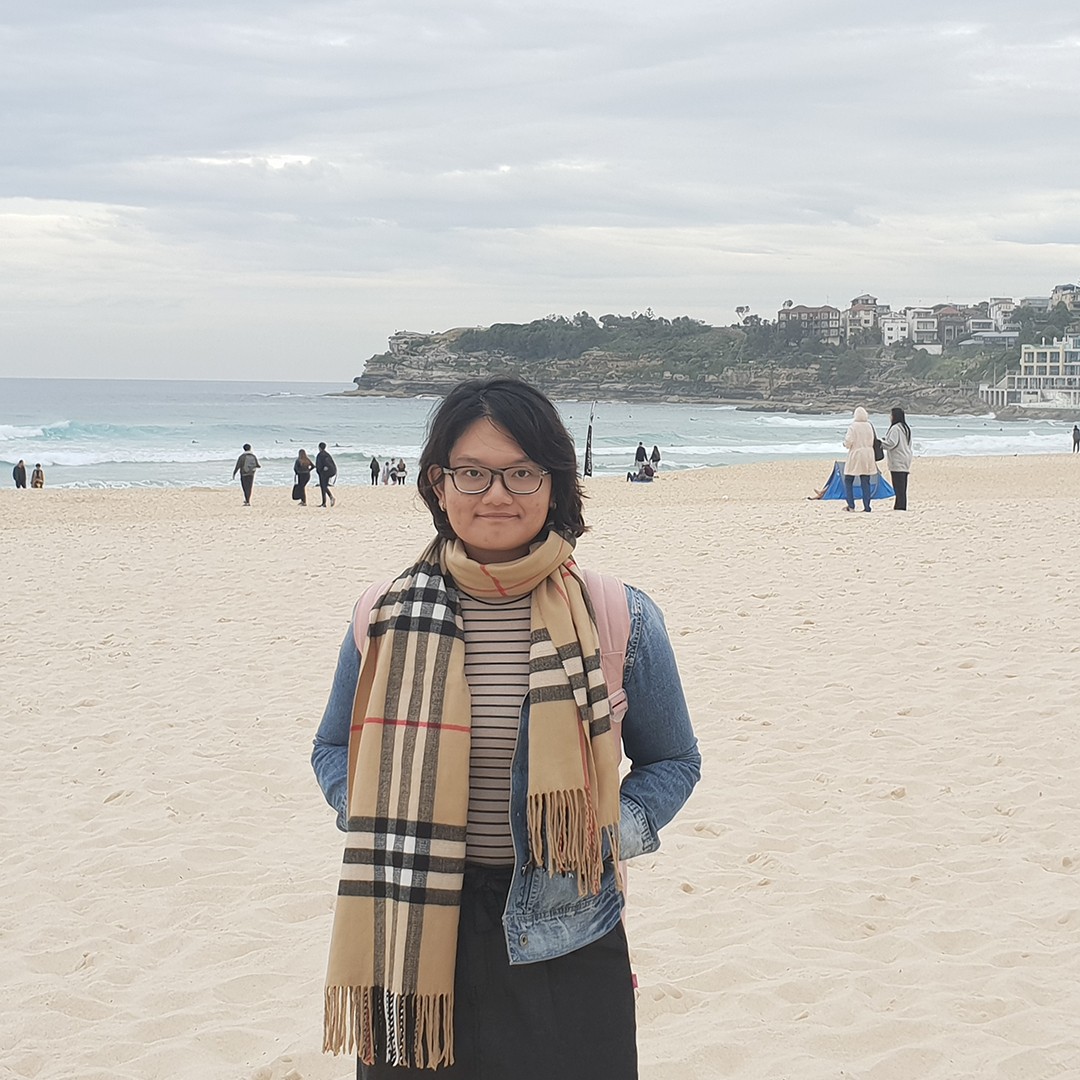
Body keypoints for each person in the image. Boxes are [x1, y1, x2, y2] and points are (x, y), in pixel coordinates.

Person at [311, 376, 700, 1079]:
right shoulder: (383, 614)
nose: (496, 494)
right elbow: (333, 746)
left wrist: (603, 832)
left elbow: (674, 760)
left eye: (521, 472)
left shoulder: (619, 614)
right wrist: (365, 811)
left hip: (567, 928)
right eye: (473, 472)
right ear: (438, 484)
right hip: (411, 921)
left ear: (555, 484)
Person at [842, 406, 875, 512]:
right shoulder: (869, 426)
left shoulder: (853, 426)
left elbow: (849, 441)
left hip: (856, 454)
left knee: (848, 479)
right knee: (865, 480)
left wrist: (844, 444)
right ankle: (867, 506)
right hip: (868, 454)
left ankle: (851, 505)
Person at [881, 407, 913, 510]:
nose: (889, 417)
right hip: (905, 458)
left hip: (897, 460)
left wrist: (880, 444)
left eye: (891, 415)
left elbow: (892, 443)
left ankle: (899, 507)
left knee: (898, 486)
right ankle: (901, 506)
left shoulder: (895, 428)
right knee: (902, 486)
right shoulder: (905, 428)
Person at [316, 442, 337, 508]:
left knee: (323, 487)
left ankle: (324, 502)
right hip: (328, 472)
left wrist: (323, 469)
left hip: (324, 473)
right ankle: (329, 499)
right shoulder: (327, 454)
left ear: (319, 447)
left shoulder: (321, 454)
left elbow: (322, 464)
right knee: (324, 486)